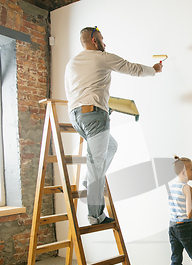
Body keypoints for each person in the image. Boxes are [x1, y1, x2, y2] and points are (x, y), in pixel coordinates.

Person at [65, 26, 163, 225]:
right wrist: (154, 70)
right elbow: (132, 68)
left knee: (111, 147)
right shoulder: (102, 57)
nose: (104, 43)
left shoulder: (72, 63)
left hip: (76, 117)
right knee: (96, 164)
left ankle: (88, 182)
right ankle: (95, 215)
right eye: (101, 39)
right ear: (94, 40)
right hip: (94, 116)